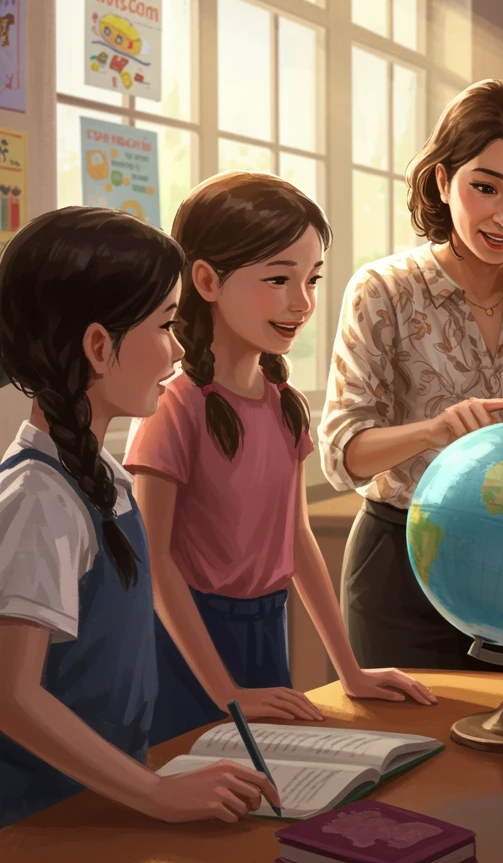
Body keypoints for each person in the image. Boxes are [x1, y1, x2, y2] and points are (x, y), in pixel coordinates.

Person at [125, 172, 434, 747]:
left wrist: (350, 671)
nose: (302, 303)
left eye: (311, 280)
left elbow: (296, 540)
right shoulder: (175, 405)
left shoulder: (285, 405)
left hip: (268, 630)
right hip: (188, 639)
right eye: (277, 279)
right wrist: (223, 691)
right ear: (207, 280)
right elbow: (155, 561)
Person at [0, 206, 280, 826]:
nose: (180, 349)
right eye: (166, 326)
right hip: (39, 823)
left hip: (104, 801)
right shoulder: (37, 501)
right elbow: (10, 697)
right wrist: (155, 794)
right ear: (100, 346)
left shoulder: (105, 479)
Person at [319, 79, 503, 672]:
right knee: (414, 753)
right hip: (402, 565)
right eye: (485, 187)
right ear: (444, 180)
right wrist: (431, 432)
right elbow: (342, 457)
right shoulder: (383, 290)